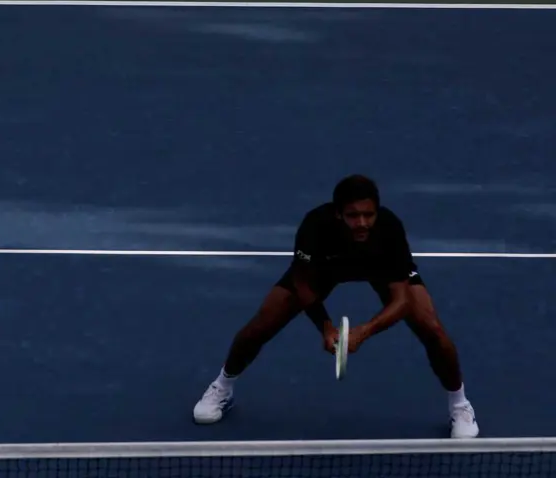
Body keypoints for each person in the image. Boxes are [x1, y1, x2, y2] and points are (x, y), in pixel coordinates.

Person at [192, 175, 479, 438]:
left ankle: (460, 405)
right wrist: (325, 326)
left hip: (378, 267)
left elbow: (402, 300)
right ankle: (223, 387)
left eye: (369, 215)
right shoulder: (315, 225)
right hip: (325, 269)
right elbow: (302, 282)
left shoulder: (389, 227)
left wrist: (363, 332)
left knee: (433, 330)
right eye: (353, 216)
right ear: (338, 213)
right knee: (260, 326)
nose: (363, 222)